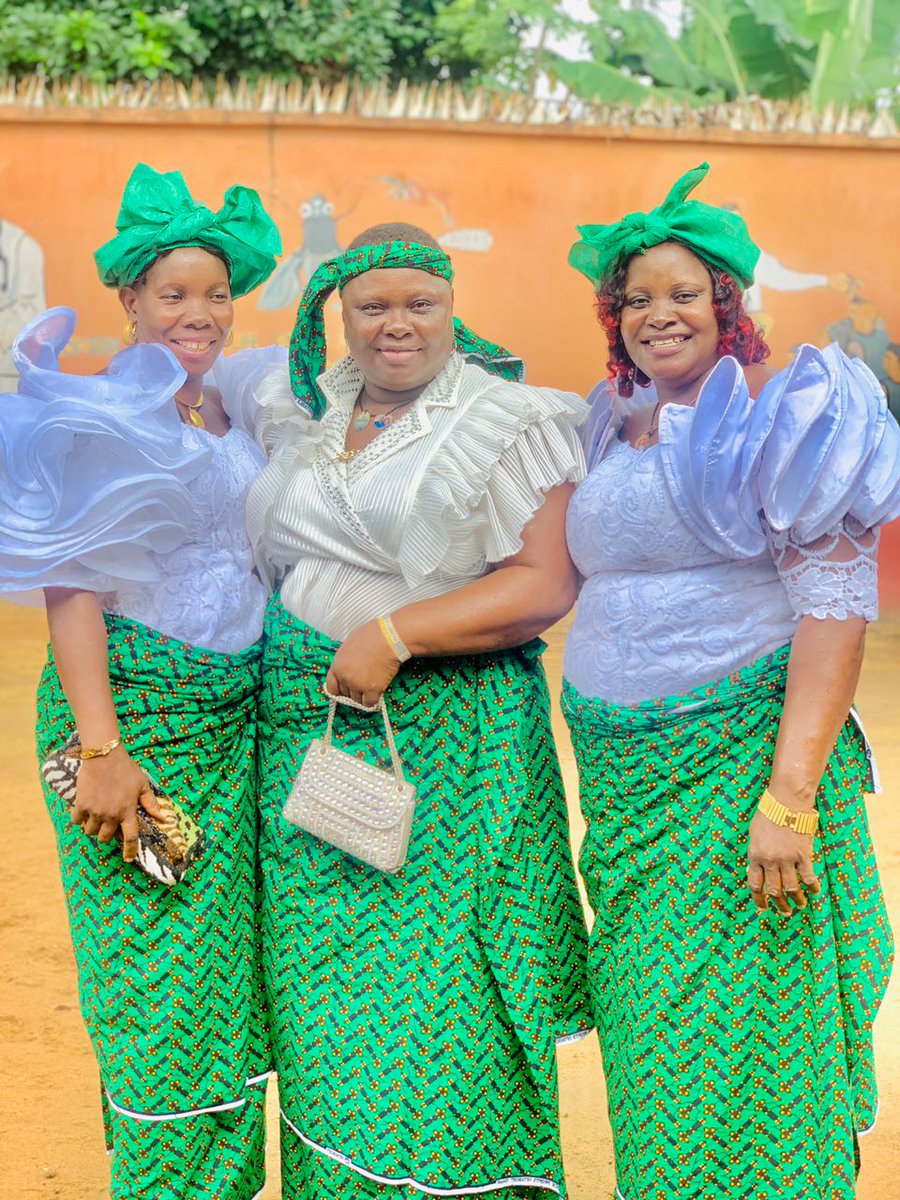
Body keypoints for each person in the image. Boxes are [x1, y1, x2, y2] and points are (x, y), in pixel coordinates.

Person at [561, 162, 899, 1200]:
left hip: (738, 778)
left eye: (684, 292)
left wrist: (789, 800)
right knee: (655, 1042)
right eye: (637, 298)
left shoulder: (780, 423)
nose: (660, 314)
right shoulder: (605, 423)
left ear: (728, 305)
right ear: (614, 318)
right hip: (624, 795)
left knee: (754, 1047)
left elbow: (837, 606)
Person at [244, 223, 592, 1197]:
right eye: (373, 306)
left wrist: (395, 637)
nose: (397, 325)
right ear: (339, 315)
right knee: (324, 1017)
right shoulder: (309, 407)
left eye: (419, 304)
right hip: (304, 753)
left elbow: (542, 581)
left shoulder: (507, 417)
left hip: (448, 756)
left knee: (440, 1009)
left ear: (450, 307)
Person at [0, 163, 284, 1199]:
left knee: (221, 982)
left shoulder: (230, 416)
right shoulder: (97, 415)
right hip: (135, 730)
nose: (198, 313)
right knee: (160, 984)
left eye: (215, 294)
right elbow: (69, 586)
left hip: (238, 727)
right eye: (174, 294)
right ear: (129, 300)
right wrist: (103, 751)